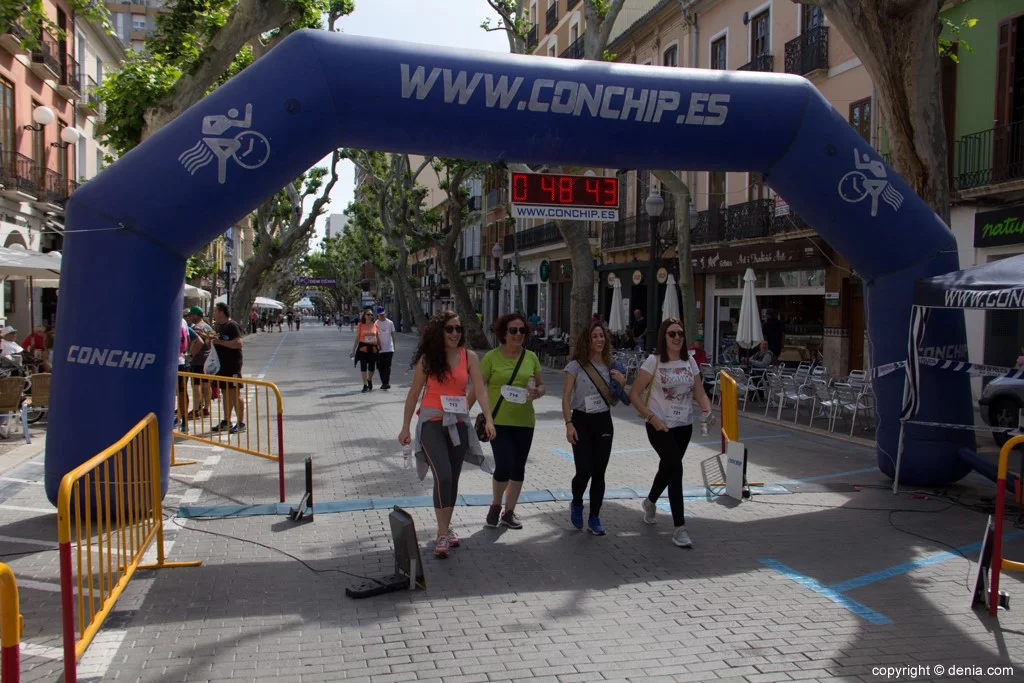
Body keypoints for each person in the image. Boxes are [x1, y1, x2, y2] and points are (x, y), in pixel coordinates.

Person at [398, 311, 495, 558]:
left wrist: (489, 419)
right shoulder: (428, 359)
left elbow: (480, 391)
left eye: (458, 329)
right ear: (439, 331)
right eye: (450, 329)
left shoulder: (469, 357)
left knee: (452, 477)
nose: (455, 333)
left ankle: (446, 529)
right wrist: (405, 427)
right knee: (443, 475)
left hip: (459, 423)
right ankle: (442, 533)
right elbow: (413, 394)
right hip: (431, 423)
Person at [628, 318, 714, 549]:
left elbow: (699, 392)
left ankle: (650, 501)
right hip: (659, 425)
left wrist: (707, 408)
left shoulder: (690, 362)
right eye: (672, 334)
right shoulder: (653, 362)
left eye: (680, 334)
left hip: (683, 426)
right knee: (676, 469)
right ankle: (679, 528)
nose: (677, 338)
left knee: (667, 468)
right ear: (664, 337)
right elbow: (634, 394)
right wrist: (651, 418)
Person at [478, 313, 545, 529]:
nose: (518, 334)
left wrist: (538, 392)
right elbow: (480, 388)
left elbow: (542, 386)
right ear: (503, 333)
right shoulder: (491, 357)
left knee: (518, 468)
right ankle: (496, 505)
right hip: (498, 421)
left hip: (525, 422)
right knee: (504, 465)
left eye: (522, 330)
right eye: (513, 330)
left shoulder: (531, 357)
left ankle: (509, 512)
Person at [562, 322, 626, 535]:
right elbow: (566, 397)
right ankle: (577, 502)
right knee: (584, 470)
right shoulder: (576, 366)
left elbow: (616, 399)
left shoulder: (612, 366)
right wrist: (568, 423)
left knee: (599, 471)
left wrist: (622, 384)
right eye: (595, 336)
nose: (599, 340)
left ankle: (595, 516)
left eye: (602, 336)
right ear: (587, 341)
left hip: (603, 421)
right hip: (581, 420)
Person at [202, 302, 245, 434]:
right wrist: (208, 340)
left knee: (234, 393)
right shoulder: (218, 327)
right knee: (225, 394)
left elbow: (238, 344)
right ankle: (227, 421)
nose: (213, 313)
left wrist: (220, 342)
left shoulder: (232, 325)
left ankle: (241, 423)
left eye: (215, 311)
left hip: (232, 365)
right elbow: (212, 346)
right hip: (221, 366)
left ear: (221, 312)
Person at [187, 306, 214, 419]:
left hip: (198, 360)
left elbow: (199, 343)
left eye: (191, 315)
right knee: (206, 385)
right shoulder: (207, 326)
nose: (189, 318)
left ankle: (196, 409)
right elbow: (210, 342)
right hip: (207, 359)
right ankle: (207, 408)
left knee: (196, 385)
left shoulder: (196, 328)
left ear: (195, 315)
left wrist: (191, 356)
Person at [351, 309, 380, 392]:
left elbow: (378, 337)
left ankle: (369, 379)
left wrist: (380, 346)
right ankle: (364, 385)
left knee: (372, 367)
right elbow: (357, 338)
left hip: (373, 348)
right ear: (364, 315)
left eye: (371, 314)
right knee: (363, 366)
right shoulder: (361, 325)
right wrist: (353, 350)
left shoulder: (375, 325)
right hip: (363, 347)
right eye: (368, 314)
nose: (370, 316)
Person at [375, 306, 396, 390]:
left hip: (389, 348)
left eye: (383, 314)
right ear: (377, 315)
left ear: (385, 313)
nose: (382, 316)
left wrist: (394, 346)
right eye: (380, 315)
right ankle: (384, 382)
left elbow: (393, 334)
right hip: (379, 349)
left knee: (387, 366)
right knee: (380, 366)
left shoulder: (390, 323)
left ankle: (386, 383)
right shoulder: (375, 324)